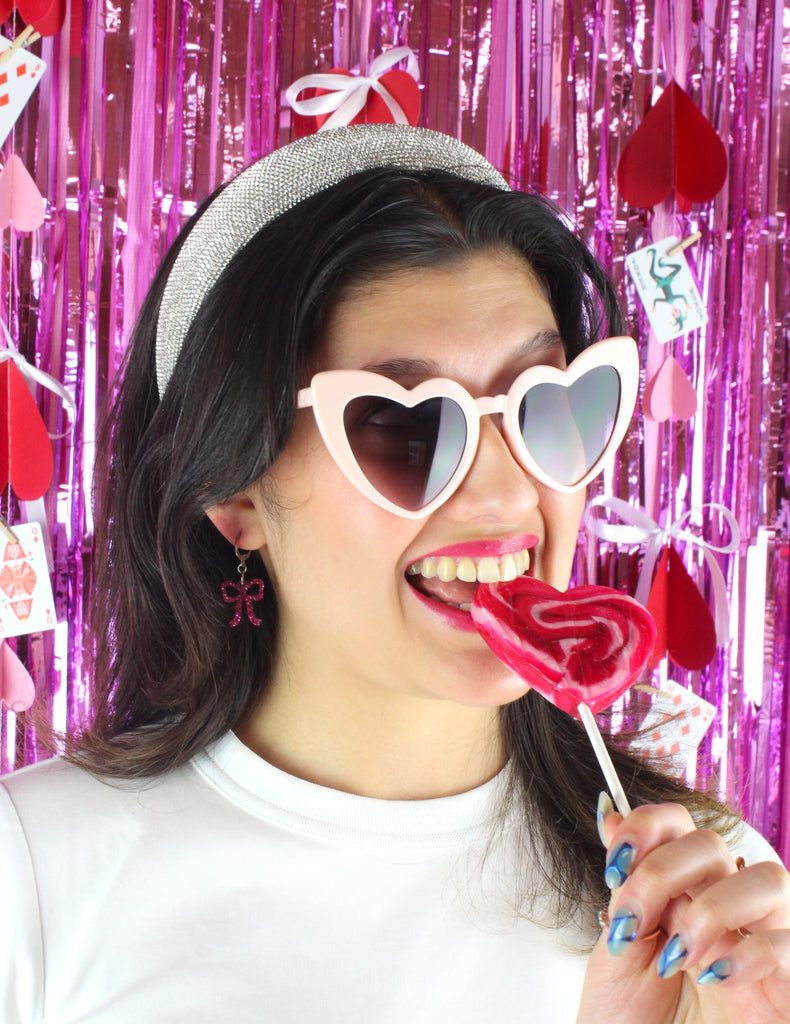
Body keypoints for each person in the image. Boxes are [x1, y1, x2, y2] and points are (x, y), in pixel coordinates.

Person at [1, 123, 788, 1024]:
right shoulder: (32, 874)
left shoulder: (710, 899)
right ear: (234, 495)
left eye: (548, 406)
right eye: (407, 427)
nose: (505, 491)